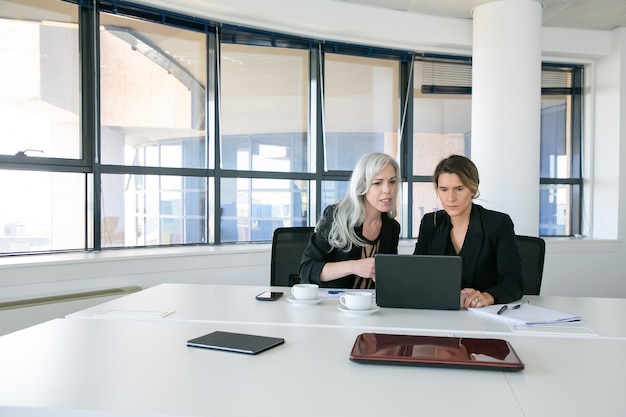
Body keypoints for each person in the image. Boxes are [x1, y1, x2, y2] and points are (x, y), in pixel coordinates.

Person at [413, 155, 524, 308]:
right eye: (444, 189)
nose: (450, 198)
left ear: (473, 189)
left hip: (484, 315)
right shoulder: (430, 224)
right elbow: (417, 275)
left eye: (459, 189)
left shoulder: (498, 224)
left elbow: (514, 282)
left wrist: (487, 296)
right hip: (440, 313)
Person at [299, 152, 401, 289]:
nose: (388, 190)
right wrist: (354, 266)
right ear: (362, 185)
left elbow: (388, 277)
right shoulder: (336, 217)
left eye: (392, 182)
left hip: (370, 306)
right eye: (377, 183)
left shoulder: (391, 227)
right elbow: (307, 269)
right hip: (331, 305)